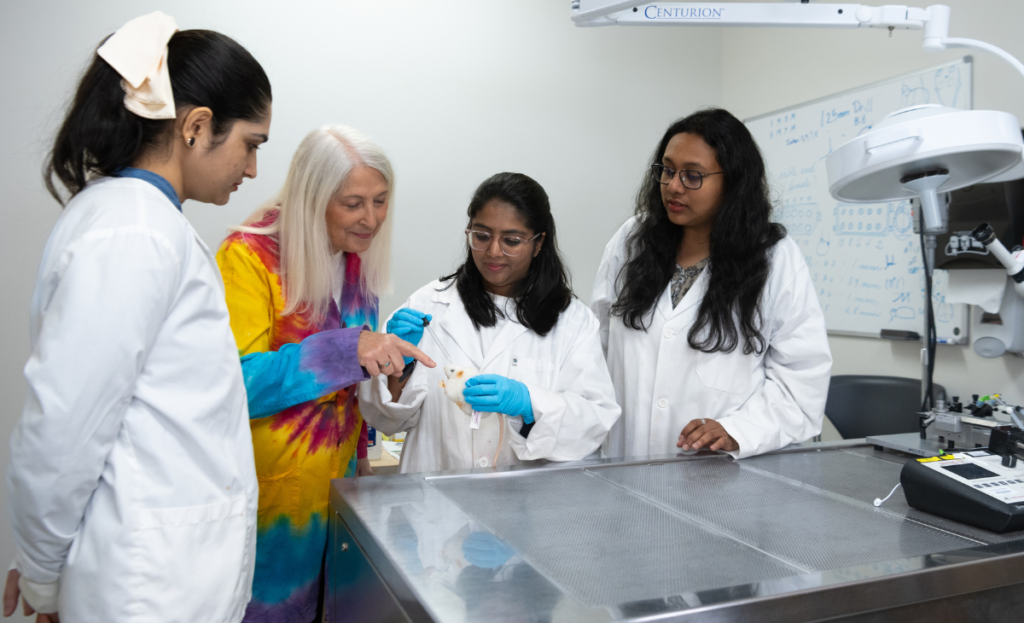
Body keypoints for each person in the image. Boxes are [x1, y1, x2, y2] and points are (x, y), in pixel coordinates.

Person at [4, 12, 273, 623]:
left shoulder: (147, 225)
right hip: (143, 589)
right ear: (197, 127)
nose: (253, 169)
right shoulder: (132, 232)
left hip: (163, 578)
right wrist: (43, 574)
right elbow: (63, 427)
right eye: (250, 144)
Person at [215, 125, 432, 623]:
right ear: (313, 197)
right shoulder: (246, 259)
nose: (371, 218)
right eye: (353, 203)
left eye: (380, 201)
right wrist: (348, 348)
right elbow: (234, 382)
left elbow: (348, 390)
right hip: (270, 503)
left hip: (336, 496)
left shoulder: (355, 263)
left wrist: (388, 375)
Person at [591, 108, 832, 460]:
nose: (673, 186)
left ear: (733, 182)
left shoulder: (774, 258)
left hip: (717, 480)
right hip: (625, 461)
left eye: (693, 176)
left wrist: (739, 430)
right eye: (667, 170)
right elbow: (598, 345)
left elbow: (802, 381)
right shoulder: (632, 241)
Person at [360, 172, 621, 473]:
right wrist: (397, 369)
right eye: (481, 236)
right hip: (435, 501)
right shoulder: (428, 305)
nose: (493, 251)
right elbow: (383, 420)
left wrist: (529, 403)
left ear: (538, 243)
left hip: (527, 507)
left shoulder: (572, 320)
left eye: (511, 240)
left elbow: (595, 420)